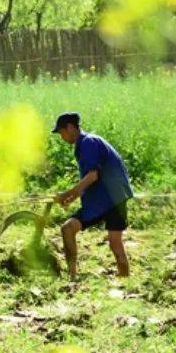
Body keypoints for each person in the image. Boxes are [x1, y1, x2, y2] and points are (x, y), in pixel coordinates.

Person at [52, 112, 133, 279]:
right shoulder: (85, 144)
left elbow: (92, 176)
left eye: (61, 132)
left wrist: (68, 193)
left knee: (115, 243)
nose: (62, 137)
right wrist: (72, 197)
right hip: (100, 201)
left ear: (70, 127)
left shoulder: (89, 143)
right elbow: (90, 179)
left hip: (112, 199)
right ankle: (72, 276)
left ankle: (125, 282)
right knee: (68, 229)